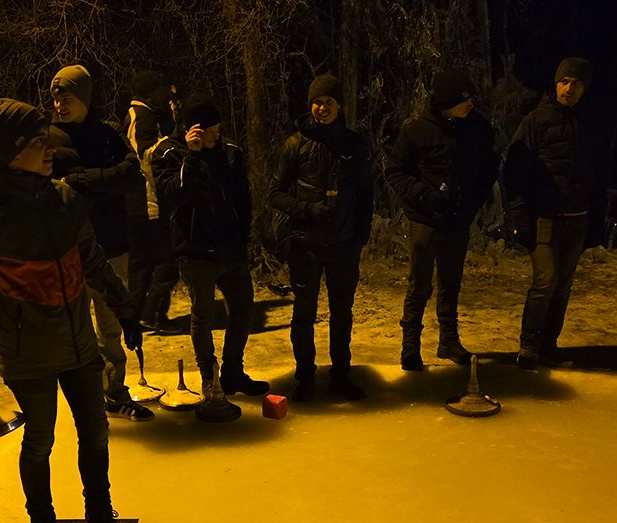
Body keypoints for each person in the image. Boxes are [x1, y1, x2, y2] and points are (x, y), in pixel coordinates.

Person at [0, 98, 144, 523]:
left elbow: (93, 262)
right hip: (28, 355)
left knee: (95, 433)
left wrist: (125, 310)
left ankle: (100, 519)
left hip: (79, 344)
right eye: (39, 142)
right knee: (40, 442)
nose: (50, 147)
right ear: (13, 151)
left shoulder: (65, 200)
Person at [48, 65, 154, 422]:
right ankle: (85, 398)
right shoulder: (48, 139)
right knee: (75, 330)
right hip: (70, 249)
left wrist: (84, 180)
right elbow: (51, 190)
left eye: (67, 98)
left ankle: (113, 393)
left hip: (112, 243)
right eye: (56, 99)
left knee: (110, 327)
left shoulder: (107, 134)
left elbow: (131, 173)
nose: (60, 105)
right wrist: (99, 184)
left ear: (85, 98)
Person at [152, 94, 269, 396]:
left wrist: (243, 234)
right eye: (211, 132)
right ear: (194, 130)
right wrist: (192, 158)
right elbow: (172, 196)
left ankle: (232, 372)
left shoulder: (229, 151)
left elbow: (243, 198)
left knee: (243, 308)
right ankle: (209, 377)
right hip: (195, 251)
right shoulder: (168, 153)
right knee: (202, 315)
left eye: (218, 130)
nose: (217, 136)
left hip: (230, 248)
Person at [269, 74, 374, 401]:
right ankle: (305, 378)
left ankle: (341, 376)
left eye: (328, 101)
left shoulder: (353, 144)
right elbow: (275, 193)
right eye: (317, 102)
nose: (322, 107)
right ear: (310, 105)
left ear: (339, 105)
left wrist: (360, 235)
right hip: (305, 244)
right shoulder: (295, 144)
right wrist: (306, 209)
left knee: (342, 313)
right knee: (303, 313)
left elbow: (366, 194)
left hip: (344, 244)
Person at [387, 69, 499, 369]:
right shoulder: (416, 131)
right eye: (465, 99)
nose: (471, 104)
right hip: (424, 219)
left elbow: (489, 167)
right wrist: (423, 195)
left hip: (458, 219)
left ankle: (448, 341)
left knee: (451, 283)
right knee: (419, 284)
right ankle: (410, 346)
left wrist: (473, 200)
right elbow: (396, 171)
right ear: (448, 102)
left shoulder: (478, 129)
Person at [504, 57, 603, 371]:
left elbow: (597, 175)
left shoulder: (590, 124)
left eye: (576, 83)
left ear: (585, 88)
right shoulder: (535, 121)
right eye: (564, 81)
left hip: (578, 218)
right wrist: (520, 218)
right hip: (545, 217)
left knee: (563, 286)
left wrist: (596, 218)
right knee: (545, 281)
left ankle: (549, 346)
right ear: (555, 83)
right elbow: (515, 172)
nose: (569, 88)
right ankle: (528, 346)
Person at [122, 70, 185, 335]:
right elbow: (143, 154)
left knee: (142, 265)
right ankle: (153, 314)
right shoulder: (140, 116)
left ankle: (136, 315)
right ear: (150, 92)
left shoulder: (144, 114)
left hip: (140, 203)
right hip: (147, 201)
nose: (164, 96)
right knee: (166, 262)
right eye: (160, 91)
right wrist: (171, 144)